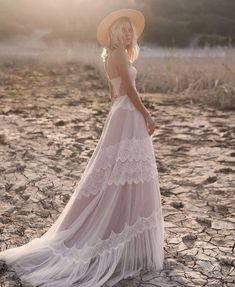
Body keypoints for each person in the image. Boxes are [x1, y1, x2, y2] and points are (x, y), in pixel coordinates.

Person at [0, 8, 165, 287]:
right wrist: (146, 114)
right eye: (123, 29)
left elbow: (113, 94)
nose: (128, 33)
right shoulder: (120, 56)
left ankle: (125, 243)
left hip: (120, 115)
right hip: (128, 116)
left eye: (130, 30)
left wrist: (124, 111)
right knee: (126, 175)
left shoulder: (111, 57)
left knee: (119, 175)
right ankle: (124, 245)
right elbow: (129, 90)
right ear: (114, 33)